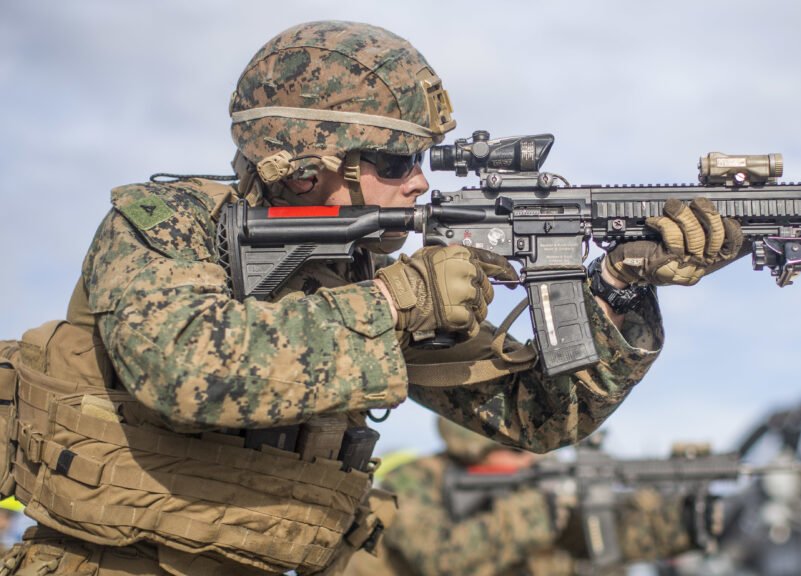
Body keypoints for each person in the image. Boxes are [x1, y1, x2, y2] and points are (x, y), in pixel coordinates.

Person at [0, 20, 740, 576]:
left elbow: (538, 417)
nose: (420, 181)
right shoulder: (167, 225)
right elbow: (189, 368)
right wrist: (397, 302)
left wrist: (619, 289)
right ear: (302, 164)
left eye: (420, 159)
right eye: (395, 160)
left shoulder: (363, 274)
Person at [344, 418, 701, 576]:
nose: (532, 458)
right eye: (518, 450)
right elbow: (442, 561)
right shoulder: (412, 481)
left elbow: (594, 542)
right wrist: (534, 512)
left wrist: (682, 523)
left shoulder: (536, 489)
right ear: (475, 451)